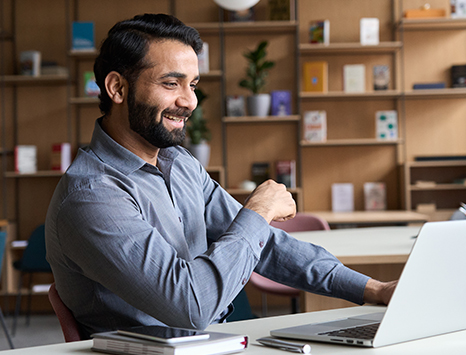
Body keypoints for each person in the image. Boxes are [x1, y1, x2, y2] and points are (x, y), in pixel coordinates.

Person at [45, 13, 396, 339]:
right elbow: (191, 306)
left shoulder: (179, 164)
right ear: (117, 88)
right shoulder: (91, 195)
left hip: (215, 341)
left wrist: (374, 290)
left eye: (192, 85)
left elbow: (266, 246)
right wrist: (258, 211)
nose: (189, 101)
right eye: (171, 84)